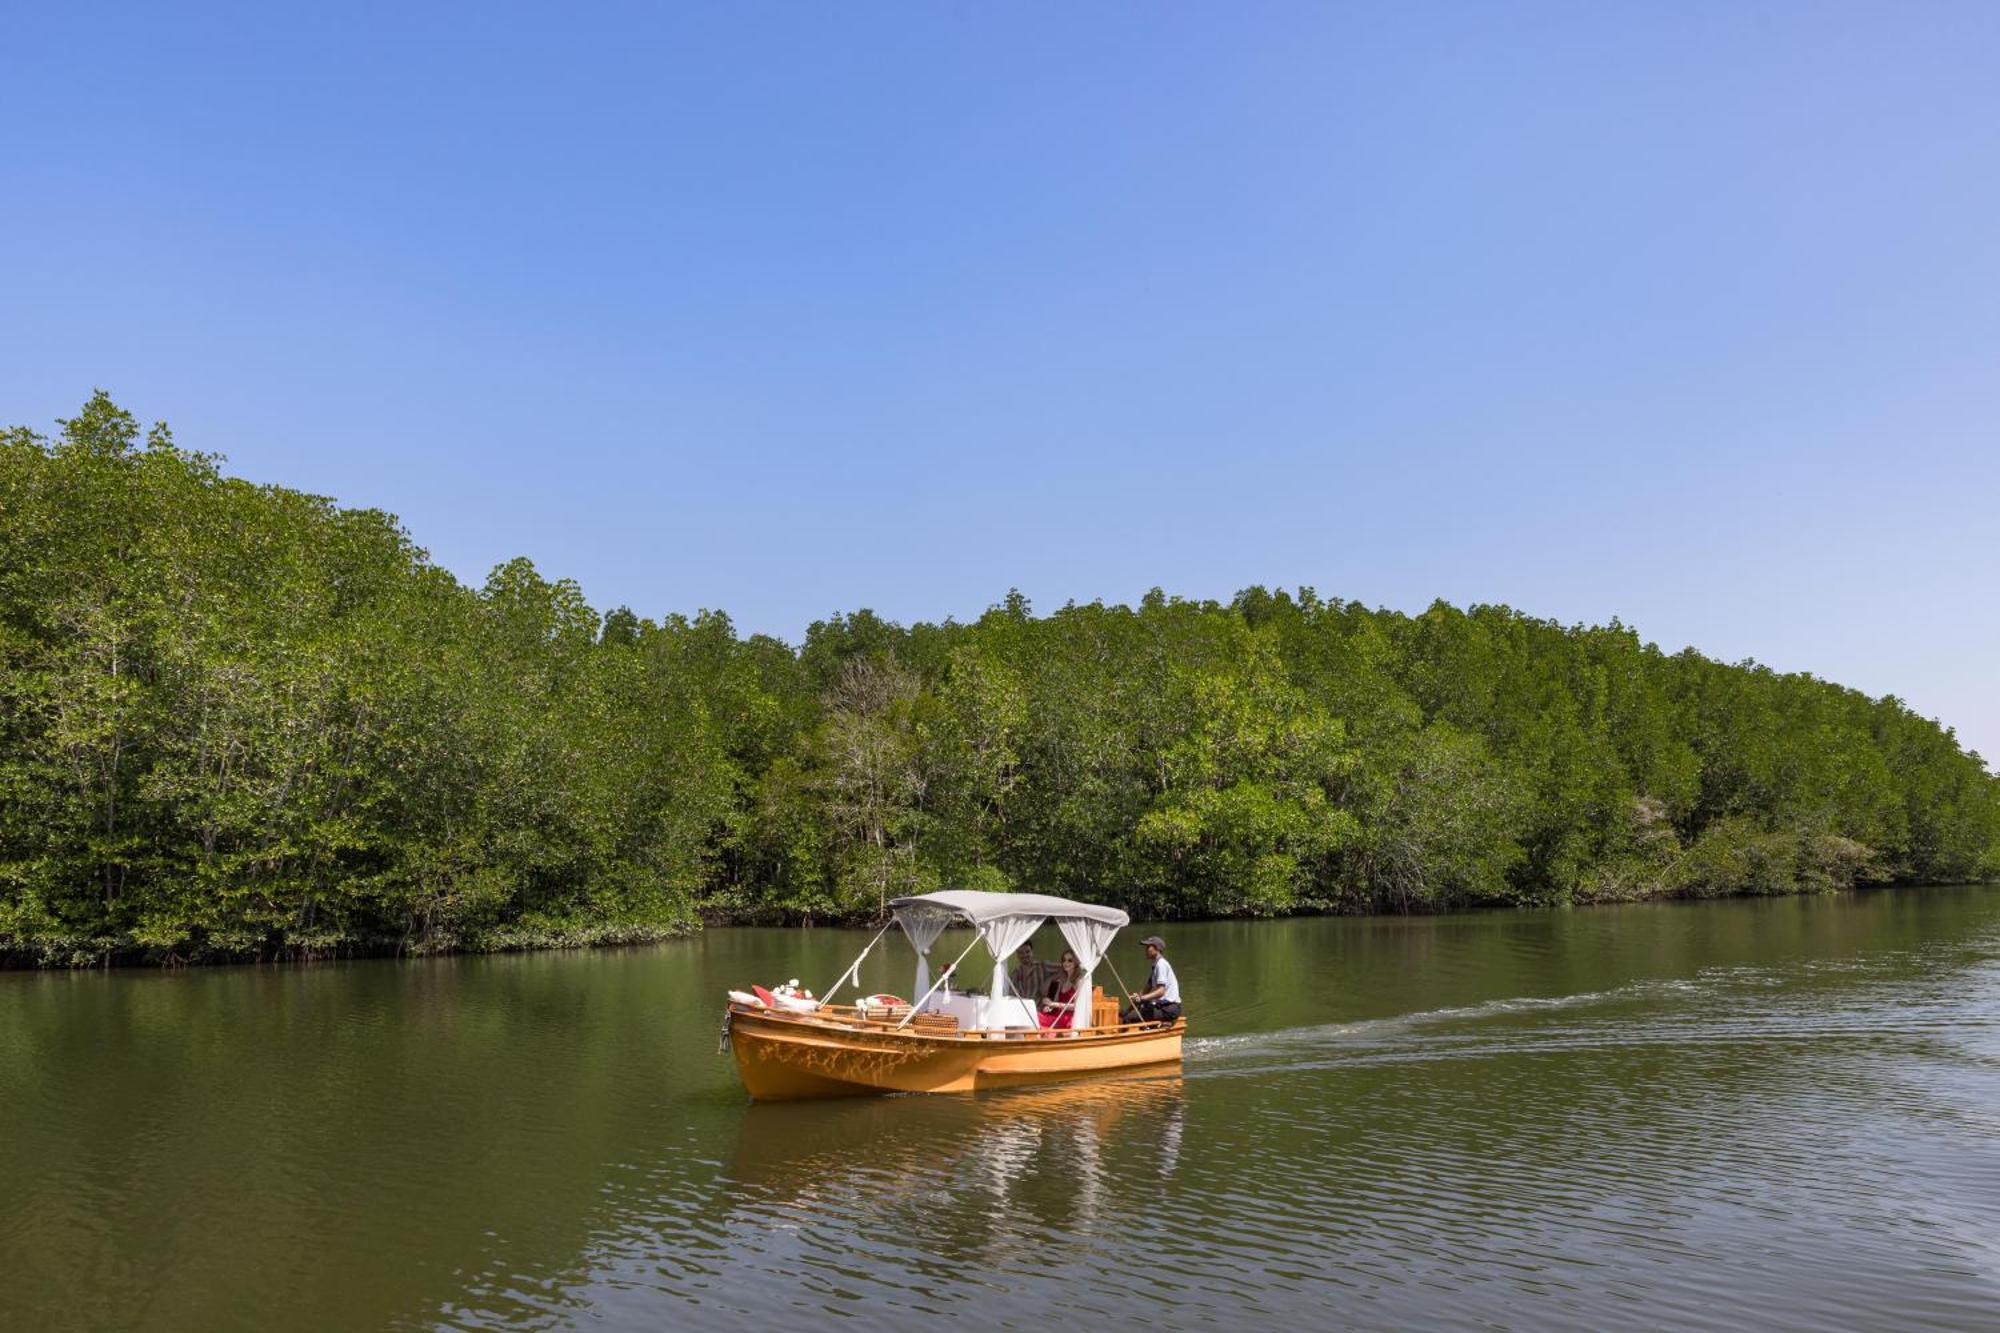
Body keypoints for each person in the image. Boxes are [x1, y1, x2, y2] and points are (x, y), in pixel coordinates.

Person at [1121, 936, 1182, 1024]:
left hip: (1169, 1009)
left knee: (1129, 1018)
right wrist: (1128, 1010)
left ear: (1157, 949)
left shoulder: (1161, 964)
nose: (1145, 950)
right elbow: (1144, 992)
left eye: (1148, 947)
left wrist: (1141, 998)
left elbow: (1161, 991)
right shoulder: (1155, 966)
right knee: (1129, 1013)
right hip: (1162, 1007)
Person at [1038, 950, 1082, 1029]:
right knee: (1034, 1014)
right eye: (1064, 960)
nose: (1066, 963)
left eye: (1070, 960)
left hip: (1067, 1019)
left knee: (1036, 1018)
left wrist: (1053, 1004)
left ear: (1075, 963)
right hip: (1058, 1015)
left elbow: (1076, 1006)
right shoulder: (1062, 980)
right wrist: (1049, 1007)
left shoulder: (1077, 981)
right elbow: (1056, 1002)